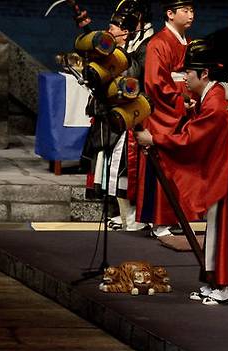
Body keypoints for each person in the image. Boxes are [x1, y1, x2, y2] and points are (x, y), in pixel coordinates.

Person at [135, 39, 228, 305]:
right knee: (217, 222)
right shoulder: (211, 95)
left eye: (188, 74)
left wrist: (156, 139)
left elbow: (193, 138)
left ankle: (224, 287)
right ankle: (215, 280)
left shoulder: (216, 103)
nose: (183, 78)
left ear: (204, 74)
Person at [135, 0, 195, 237]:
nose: (191, 14)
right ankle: (159, 221)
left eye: (192, 10)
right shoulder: (158, 43)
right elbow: (155, 82)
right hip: (164, 112)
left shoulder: (188, 42)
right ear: (170, 14)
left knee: (182, 168)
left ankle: (177, 216)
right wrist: (181, 101)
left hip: (185, 106)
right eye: (185, 10)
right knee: (165, 165)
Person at [104, 0, 153, 231]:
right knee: (120, 165)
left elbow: (138, 75)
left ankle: (136, 217)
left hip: (141, 110)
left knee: (132, 168)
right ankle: (126, 216)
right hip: (125, 109)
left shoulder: (149, 44)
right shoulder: (136, 42)